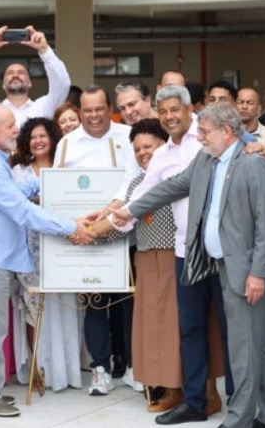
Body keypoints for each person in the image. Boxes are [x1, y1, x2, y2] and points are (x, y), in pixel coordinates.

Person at [112, 103, 265, 428]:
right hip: (216, 265)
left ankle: (239, 420)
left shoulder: (252, 163)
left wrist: (258, 273)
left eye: (205, 132)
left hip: (246, 271)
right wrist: (131, 210)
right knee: (259, 345)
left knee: (248, 348)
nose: (200, 137)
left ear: (228, 132)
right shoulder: (206, 159)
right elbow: (170, 187)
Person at [0, 103, 94, 418]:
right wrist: (72, 226)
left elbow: (15, 193)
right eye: (9, 126)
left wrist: (46, 178)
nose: (16, 131)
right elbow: (22, 210)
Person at [110, 86, 229, 418]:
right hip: (183, 251)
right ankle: (195, 402)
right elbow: (142, 200)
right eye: (162, 112)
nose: (169, 117)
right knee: (189, 327)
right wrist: (105, 220)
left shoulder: (207, 139)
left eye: (175, 109)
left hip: (220, 250)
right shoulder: (162, 155)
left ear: (190, 109)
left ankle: (239, 401)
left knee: (228, 328)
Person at [91, 118, 184, 413]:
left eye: (149, 146)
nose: (143, 153)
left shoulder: (175, 177)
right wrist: (88, 233)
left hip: (173, 257)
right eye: (138, 149)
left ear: (164, 145)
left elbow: (120, 218)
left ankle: (178, 387)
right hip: (145, 259)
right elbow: (121, 225)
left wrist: (93, 229)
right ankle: (161, 383)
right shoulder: (135, 183)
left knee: (173, 326)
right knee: (151, 328)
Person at [54, 86, 141, 396]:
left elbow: (136, 179)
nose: (93, 116)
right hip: (87, 238)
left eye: (99, 109)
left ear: (109, 109)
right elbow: (59, 192)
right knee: (95, 304)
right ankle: (100, 369)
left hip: (126, 233)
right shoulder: (66, 144)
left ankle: (133, 367)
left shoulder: (127, 136)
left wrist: (111, 212)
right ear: (80, 112)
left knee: (129, 303)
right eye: (87, 110)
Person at [10, 117, 82, 393]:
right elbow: (16, 206)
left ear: (53, 138)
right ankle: (36, 367)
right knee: (33, 306)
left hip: (63, 245)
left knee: (63, 305)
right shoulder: (18, 171)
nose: (38, 141)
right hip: (30, 246)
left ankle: (66, 370)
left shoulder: (66, 168)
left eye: (43, 136)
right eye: (32, 137)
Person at [0, 25, 71, 126]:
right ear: (3, 84)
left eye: (21, 72)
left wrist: (44, 50)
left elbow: (63, 85)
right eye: (10, 73)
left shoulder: (44, 106)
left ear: (30, 83)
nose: (15, 75)